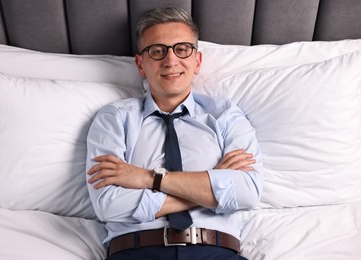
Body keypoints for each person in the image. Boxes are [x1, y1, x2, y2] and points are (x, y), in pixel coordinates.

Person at [86, 7, 264, 260]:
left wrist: (149, 178)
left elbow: (247, 192)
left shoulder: (226, 116)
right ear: (140, 64)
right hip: (136, 252)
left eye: (182, 49)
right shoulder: (114, 119)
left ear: (197, 61)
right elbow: (109, 205)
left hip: (216, 252)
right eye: (157, 51)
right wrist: (212, 187)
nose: (170, 61)